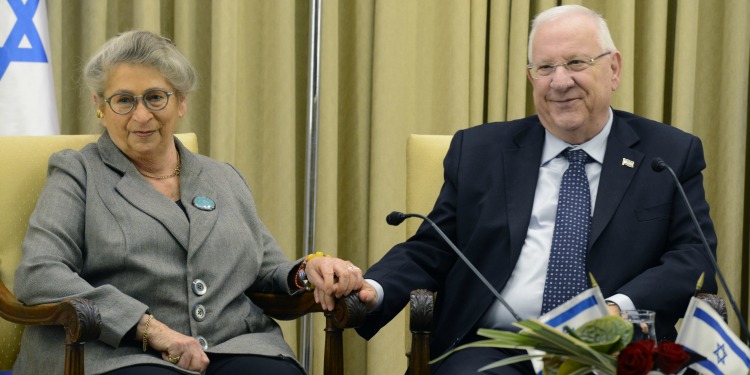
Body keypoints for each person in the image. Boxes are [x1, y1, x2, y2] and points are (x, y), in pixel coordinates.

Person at [356, 5, 718, 374]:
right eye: (545, 68)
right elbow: (432, 249)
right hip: (496, 349)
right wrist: (373, 288)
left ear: (614, 69)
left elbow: (693, 257)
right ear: (532, 78)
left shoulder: (668, 154)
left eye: (576, 62)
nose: (560, 82)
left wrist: (616, 310)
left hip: (615, 351)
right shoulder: (479, 151)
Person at [13, 30, 363, 375]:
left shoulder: (223, 177)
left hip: (232, 345)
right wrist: (148, 328)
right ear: (100, 106)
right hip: (117, 352)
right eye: (123, 100)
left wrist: (307, 271)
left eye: (155, 97)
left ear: (181, 101)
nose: (141, 116)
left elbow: (264, 270)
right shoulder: (78, 173)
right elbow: (40, 273)